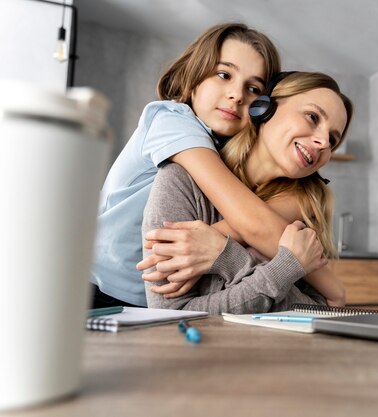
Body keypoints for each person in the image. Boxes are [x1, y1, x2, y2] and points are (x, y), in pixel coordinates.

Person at [91, 22, 283, 308]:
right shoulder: (172, 121)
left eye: (253, 88)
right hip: (100, 290)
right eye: (223, 74)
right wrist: (316, 271)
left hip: (156, 301)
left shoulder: (228, 153)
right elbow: (255, 222)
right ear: (193, 80)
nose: (237, 95)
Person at [142, 71, 352, 313]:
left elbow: (315, 309)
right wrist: (285, 268)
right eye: (313, 117)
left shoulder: (308, 209)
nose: (324, 142)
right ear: (264, 107)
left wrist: (226, 255)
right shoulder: (180, 180)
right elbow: (172, 315)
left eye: (333, 140)